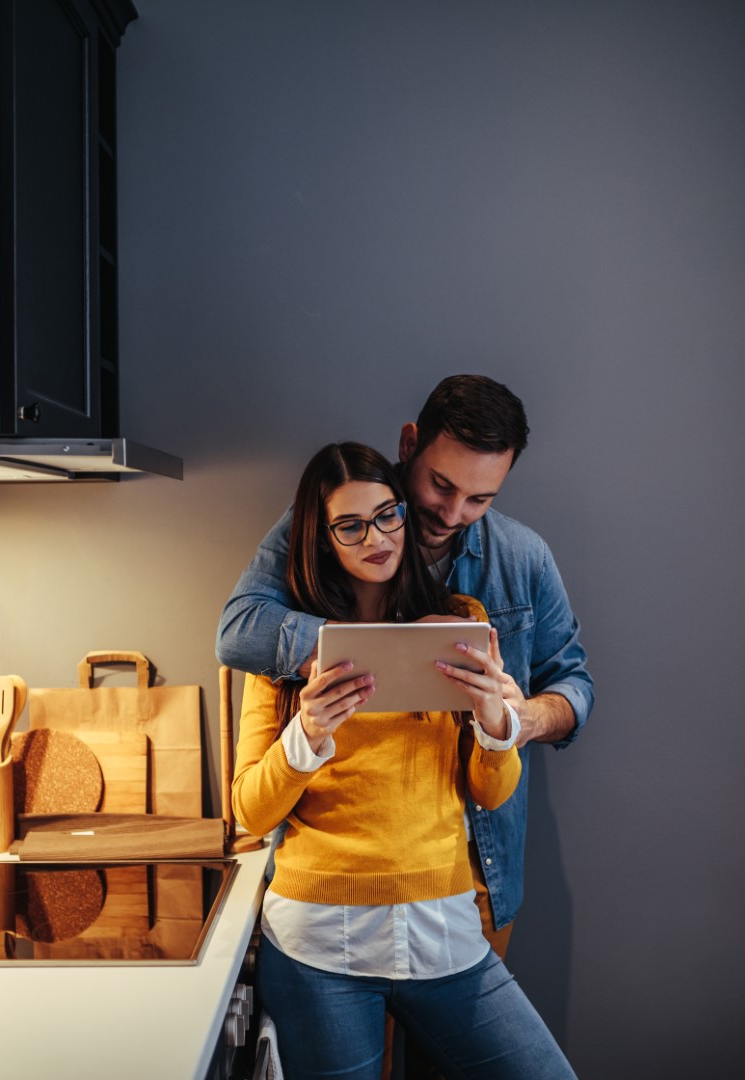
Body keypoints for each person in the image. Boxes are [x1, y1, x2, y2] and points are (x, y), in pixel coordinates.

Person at [231, 442, 577, 1080]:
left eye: (388, 514)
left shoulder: (458, 623)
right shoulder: (285, 657)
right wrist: (307, 732)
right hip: (317, 944)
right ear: (322, 537)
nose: (377, 537)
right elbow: (249, 811)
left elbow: (490, 794)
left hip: (443, 930)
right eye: (351, 525)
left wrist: (499, 724)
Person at [217, 374, 593, 953]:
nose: (452, 512)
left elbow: (572, 685)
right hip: (334, 892)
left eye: (480, 498)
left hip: (478, 871)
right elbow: (240, 629)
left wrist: (517, 718)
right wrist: (380, 647)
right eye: (441, 485)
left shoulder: (521, 559)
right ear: (409, 443)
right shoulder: (337, 513)